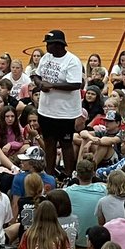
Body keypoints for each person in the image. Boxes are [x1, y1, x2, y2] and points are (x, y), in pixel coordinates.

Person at [33, 30, 84, 179]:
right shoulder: (46, 57)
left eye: (49, 43)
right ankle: (50, 173)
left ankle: (68, 174)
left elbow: (76, 84)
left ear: (58, 45)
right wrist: (40, 83)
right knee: (49, 142)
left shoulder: (72, 61)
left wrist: (52, 86)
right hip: (46, 110)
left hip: (65, 112)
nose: (47, 46)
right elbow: (36, 75)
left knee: (66, 143)